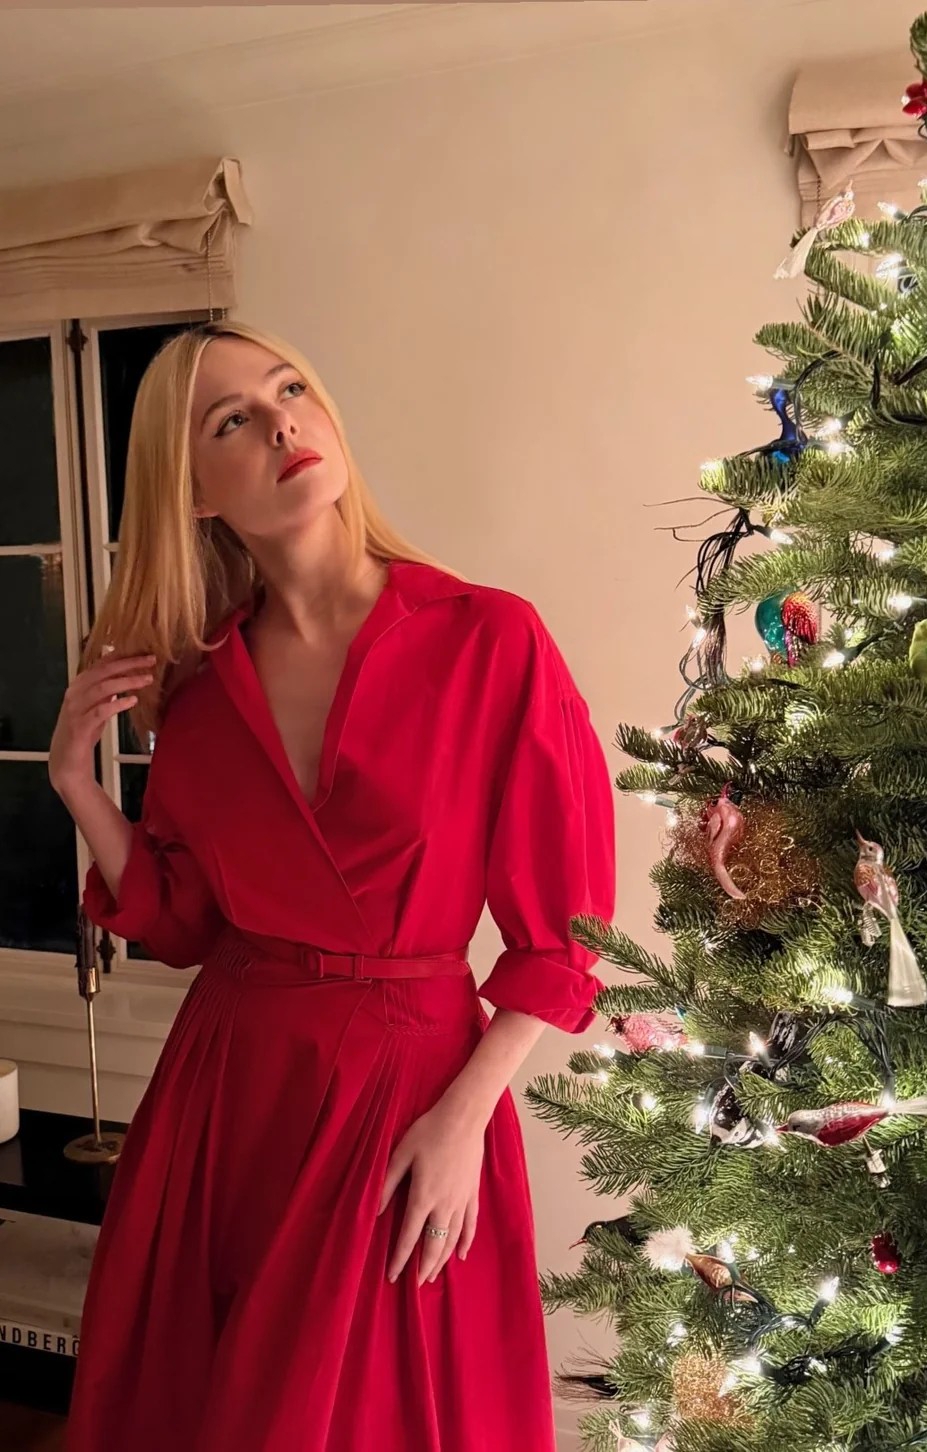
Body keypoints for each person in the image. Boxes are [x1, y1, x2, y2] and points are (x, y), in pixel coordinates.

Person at [48, 318, 617, 1452]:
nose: (281, 425)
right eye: (232, 421)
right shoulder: (201, 693)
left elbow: (566, 936)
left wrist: (465, 1116)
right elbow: (184, 923)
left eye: (290, 390)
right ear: (193, 492)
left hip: (415, 1094)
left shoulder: (487, 638)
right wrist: (77, 785)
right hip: (230, 1098)